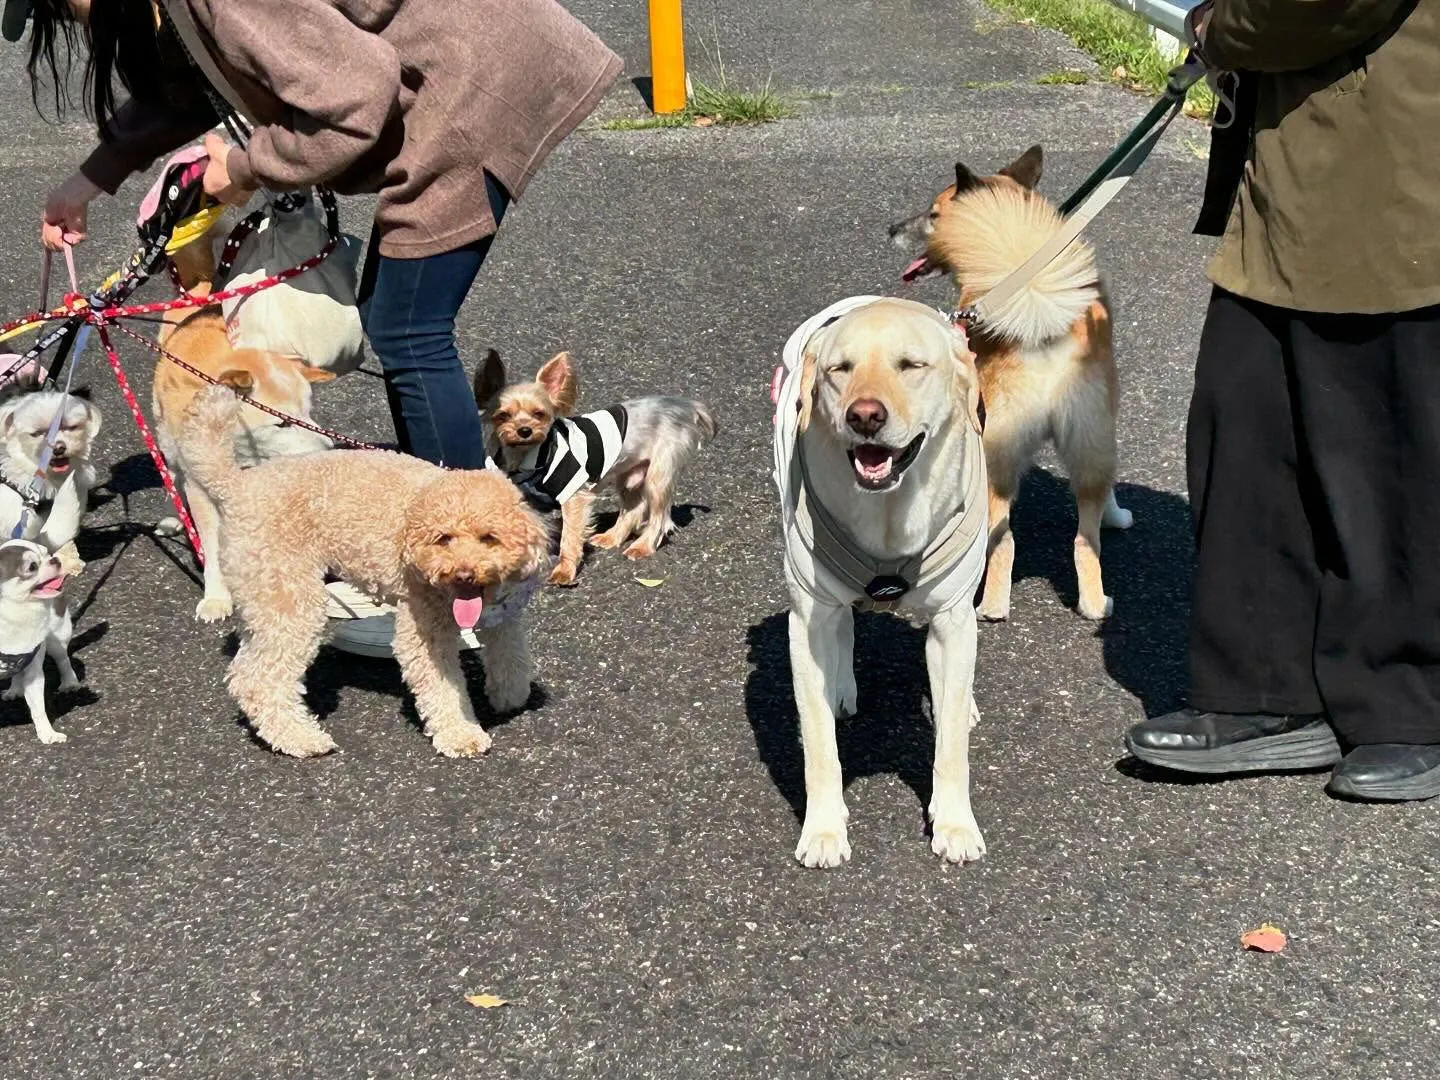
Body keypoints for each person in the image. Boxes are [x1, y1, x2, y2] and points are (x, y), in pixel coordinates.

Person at [10, 0, 621, 654]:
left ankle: (466, 579)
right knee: (398, 321)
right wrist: (87, 180)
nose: (70, 22)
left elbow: (355, 94)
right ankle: (439, 555)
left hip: (469, 85)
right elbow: (184, 89)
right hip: (447, 81)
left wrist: (241, 168)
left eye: (55, 5)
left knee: (412, 330)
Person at [1124, 0, 1440, 800]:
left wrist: (1215, 28)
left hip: (1393, 171)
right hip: (1291, 168)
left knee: (1385, 458)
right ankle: (1265, 693)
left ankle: (1409, 707)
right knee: (1248, 432)